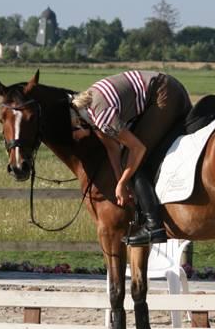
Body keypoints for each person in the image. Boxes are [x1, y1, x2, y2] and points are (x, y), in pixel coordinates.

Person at [71, 71, 191, 246]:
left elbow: (137, 148)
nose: (76, 138)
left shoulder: (102, 116)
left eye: (75, 132)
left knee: (135, 162)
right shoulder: (90, 109)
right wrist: (122, 182)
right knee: (127, 162)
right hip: (162, 87)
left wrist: (123, 181)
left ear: (80, 122)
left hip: (164, 93)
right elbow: (112, 148)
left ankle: (154, 226)